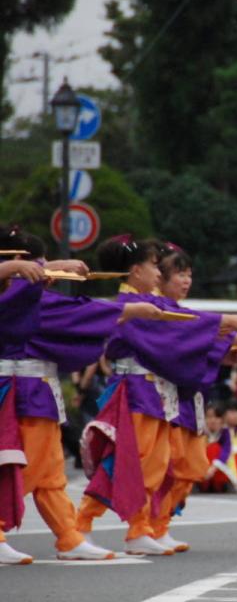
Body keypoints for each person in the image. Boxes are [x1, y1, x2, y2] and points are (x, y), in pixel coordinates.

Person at [74, 236, 237, 556]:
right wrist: (224, 326)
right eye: (153, 266)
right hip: (136, 392)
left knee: (155, 465)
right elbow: (175, 334)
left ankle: (137, 528)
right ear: (135, 270)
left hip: (154, 393)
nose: (159, 273)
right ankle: (83, 525)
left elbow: (182, 329)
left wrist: (221, 341)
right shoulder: (128, 307)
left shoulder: (149, 304)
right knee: (130, 465)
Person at [0, 230, 165, 563]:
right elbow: (80, 314)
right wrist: (128, 311)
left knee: (50, 473)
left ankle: (70, 536)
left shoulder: (31, 297)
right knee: (22, 469)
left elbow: (79, 311)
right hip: (20, 393)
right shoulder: (20, 299)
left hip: (39, 391)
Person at [151, 242, 237, 551]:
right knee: (166, 467)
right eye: (179, 274)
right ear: (158, 277)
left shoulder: (181, 312)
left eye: (189, 274)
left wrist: (220, 353)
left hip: (189, 399)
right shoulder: (155, 310)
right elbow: (187, 340)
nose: (186, 280)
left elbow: (198, 339)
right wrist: (235, 332)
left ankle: (159, 525)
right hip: (163, 399)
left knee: (191, 466)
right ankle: (148, 527)